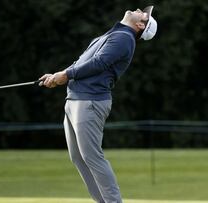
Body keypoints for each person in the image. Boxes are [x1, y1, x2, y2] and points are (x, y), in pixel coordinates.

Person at [39, 6, 157, 203]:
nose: (139, 10)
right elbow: (82, 61)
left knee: (92, 157)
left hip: (90, 101)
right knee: (78, 158)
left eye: (144, 14)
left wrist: (66, 75)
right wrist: (58, 75)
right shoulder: (116, 33)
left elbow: (99, 63)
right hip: (76, 99)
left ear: (140, 25)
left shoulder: (124, 38)